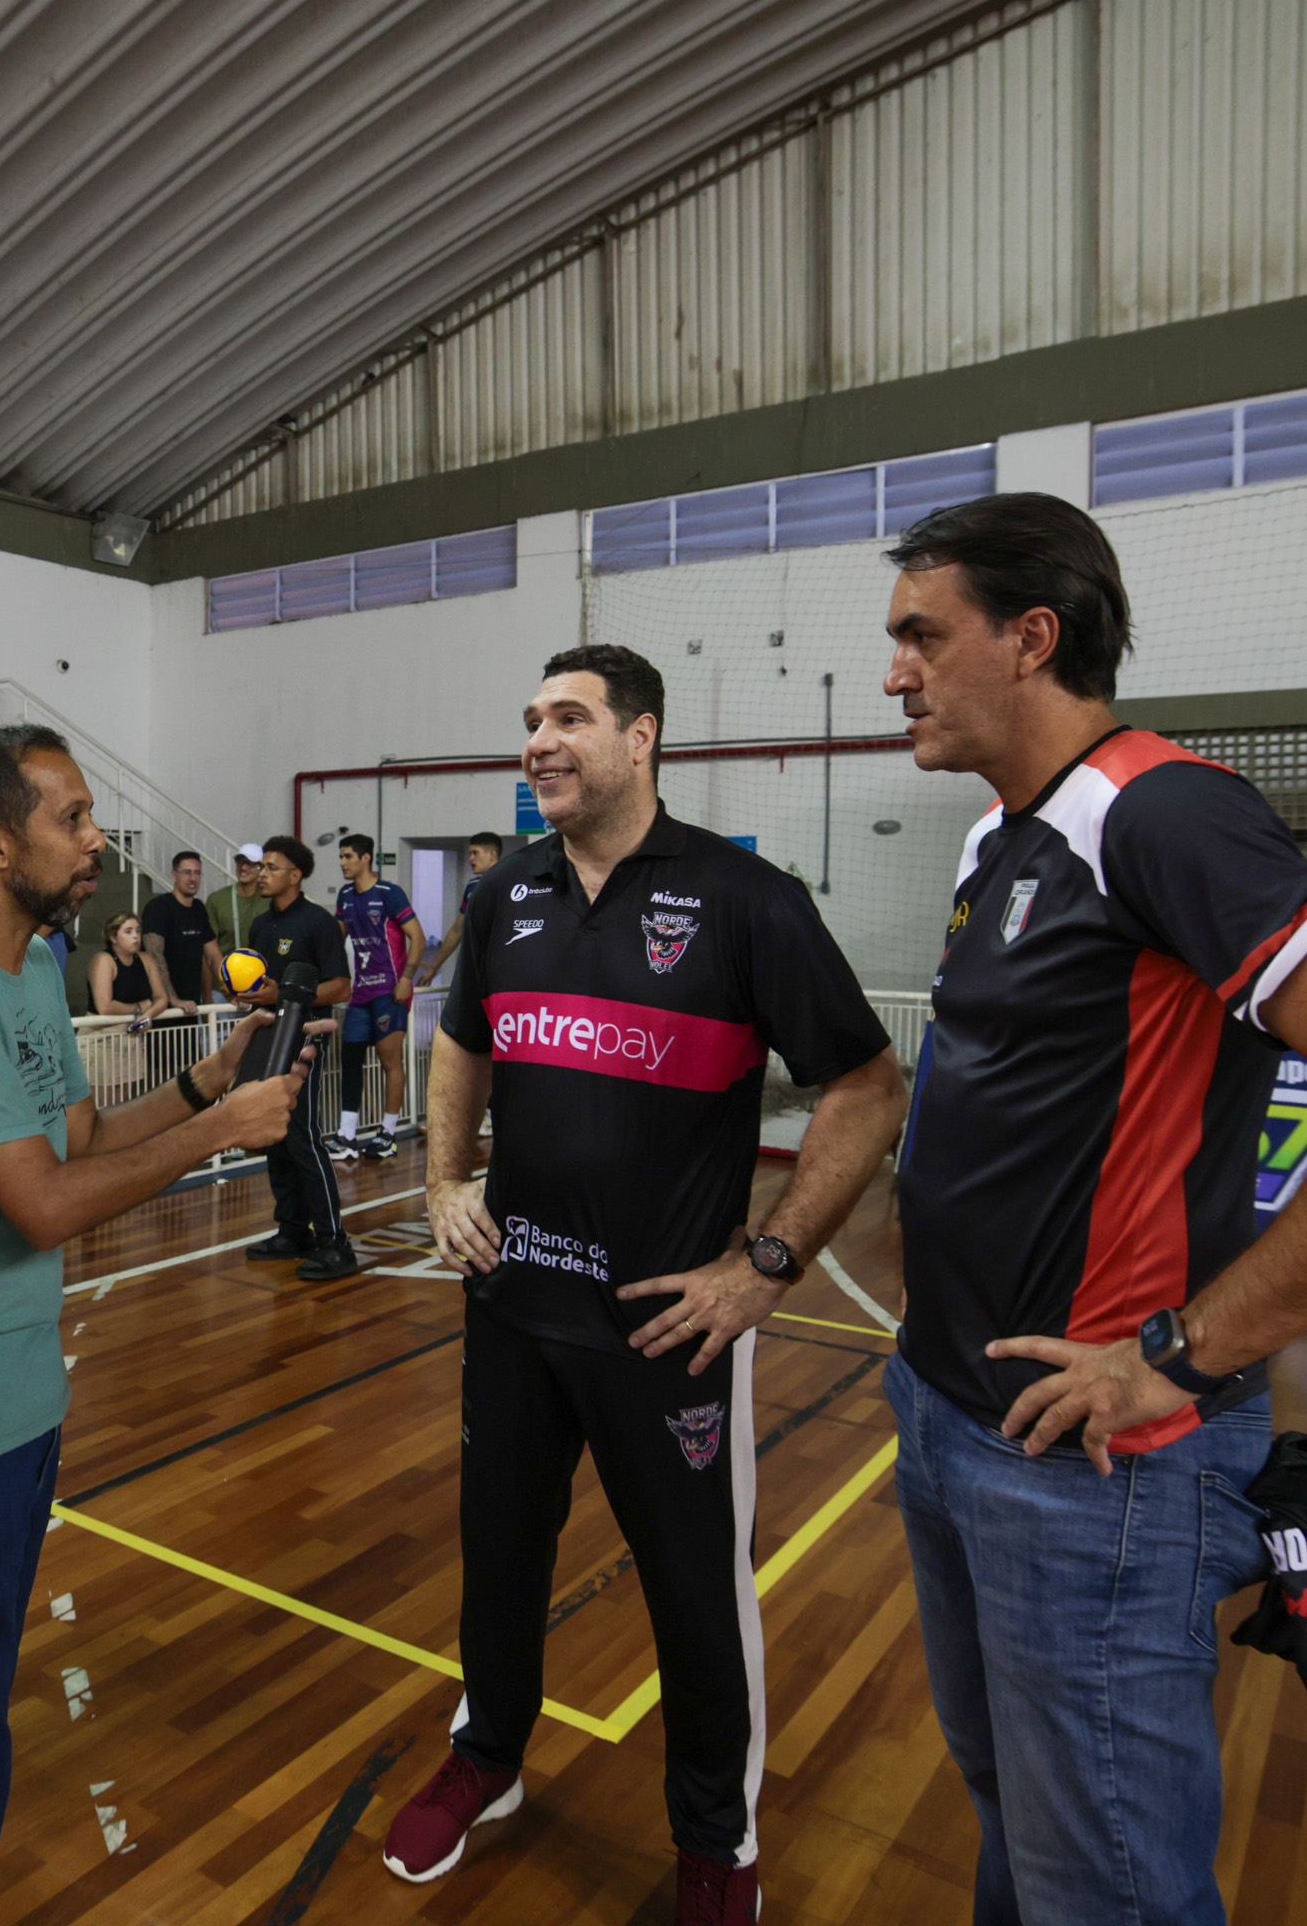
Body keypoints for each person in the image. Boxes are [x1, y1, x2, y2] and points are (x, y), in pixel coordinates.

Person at [874, 496, 1307, 1926]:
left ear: (1032, 637)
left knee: (1106, 1885)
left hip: (1091, 1468)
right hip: (949, 1411)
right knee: (1015, 1813)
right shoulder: (1001, 835)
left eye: (922, 636)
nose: (896, 674)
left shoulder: (1158, 810)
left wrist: (1180, 1355)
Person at [387, 645, 907, 1922]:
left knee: (693, 1595)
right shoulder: (506, 893)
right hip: (513, 1303)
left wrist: (769, 1262)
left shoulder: (744, 899)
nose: (538, 740)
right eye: (530, 719)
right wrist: (447, 1181)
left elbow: (866, 1084)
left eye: (568, 717)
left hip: (669, 1331)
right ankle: (487, 1754)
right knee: (499, 1559)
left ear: (642, 737)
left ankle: (718, 1845)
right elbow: (462, 1044)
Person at [0, 723, 313, 1926]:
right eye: (74, 818)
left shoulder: (37, 964)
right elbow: (42, 1203)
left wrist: (206, 1082)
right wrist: (222, 1135)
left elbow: (78, 1138)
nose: (100, 838)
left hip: (17, 1410)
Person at [237, 834, 357, 1281]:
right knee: (276, 1135)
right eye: (262, 867)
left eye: (271, 867)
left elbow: (340, 987)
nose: (262, 874)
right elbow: (263, 984)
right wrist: (248, 993)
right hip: (269, 1037)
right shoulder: (260, 925)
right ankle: (292, 1231)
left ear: (295, 875)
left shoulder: (318, 923)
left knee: (303, 1134)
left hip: (306, 1037)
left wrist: (283, 994)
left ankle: (335, 1242)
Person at [329, 833, 424, 1161]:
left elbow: (417, 937)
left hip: (389, 991)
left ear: (365, 858)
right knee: (350, 1058)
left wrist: (407, 979)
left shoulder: (388, 893)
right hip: (360, 993)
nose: (342, 863)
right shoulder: (345, 895)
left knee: (389, 1059)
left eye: (347, 857)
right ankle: (347, 1136)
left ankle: (387, 1133)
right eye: (341, 857)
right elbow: (334, 940)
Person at [414, 831, 509, 996]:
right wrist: (434, 967)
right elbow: (457, 930)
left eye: (475, 853)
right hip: (476, 969)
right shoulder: (472, 887)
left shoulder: (511, 883)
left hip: (504, 969)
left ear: (492, 855)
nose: (471, 859)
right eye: (470, 854)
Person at [138, 850, 223, 1007]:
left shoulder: (198, 908)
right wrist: (172, 998)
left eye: (197, 873)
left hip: (190, 1003)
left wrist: (231, 989)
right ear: (174, 875)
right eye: (186, 872)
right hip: (161, 1006)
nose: (192, 878)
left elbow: (213, 955)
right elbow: (154, 957)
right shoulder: (158, 907)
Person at [87, 912, 166, 1018]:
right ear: (113, 937)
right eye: (128, 932)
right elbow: (105, 1007)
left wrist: (148, 1015)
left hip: (137, 1025)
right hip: (103, 1026)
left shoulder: (146, 959)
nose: (135, 936)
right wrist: (138, 1008)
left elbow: (161, 997)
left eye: (138, 931)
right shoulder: (103, 960)